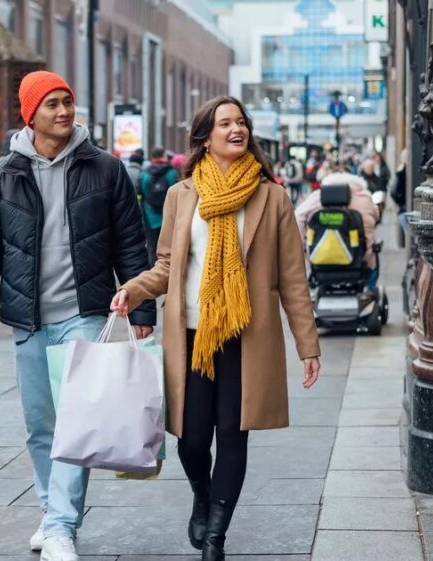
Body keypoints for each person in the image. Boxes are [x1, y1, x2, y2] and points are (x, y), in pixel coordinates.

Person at [111, 96, 322, 561]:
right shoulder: (182, 194)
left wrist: (308, 344)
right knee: (190, 438)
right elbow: (167, 264)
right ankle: (202, 497)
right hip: (189, 334)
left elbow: (292, 278)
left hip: (246, 337)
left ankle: (216, 537)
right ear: (206, 136)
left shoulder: (273, 197)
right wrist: (136, 289)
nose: (236, 129)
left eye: (241, 122)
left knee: (232, 433)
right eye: (225, 123)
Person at [0, 70, 155, 561]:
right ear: (31, 114)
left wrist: (142, 303)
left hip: (86, 313)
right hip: (27, 319)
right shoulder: (1, 176)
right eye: (52, 104)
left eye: (68, 101)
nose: (65, 111)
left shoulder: (105, 169)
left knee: (76, 423)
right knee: (40, 425)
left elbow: (131, 242)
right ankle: (50, 512)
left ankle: (63, 525)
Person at [295, 170, 381, 290]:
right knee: (373, 265)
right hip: (360, 262)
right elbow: (376, 216)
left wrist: (304, 247)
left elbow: (297, 217)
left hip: (321, 262)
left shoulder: (318, 197)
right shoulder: (365, 198)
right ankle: (370, 292)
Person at [142, 147, 180, 265]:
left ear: (152, 157)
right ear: (164, 156)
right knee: (171, 247)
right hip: (170, 218)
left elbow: (142, 194)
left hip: (151, 216)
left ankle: (153, 269)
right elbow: (178, 195)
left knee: (152, 246)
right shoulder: (172, 173)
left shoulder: (145, 174)